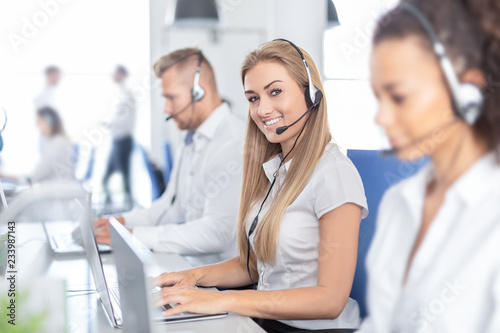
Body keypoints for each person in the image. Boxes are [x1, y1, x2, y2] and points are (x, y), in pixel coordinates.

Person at [154, 40, 368, 332]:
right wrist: (193, 276)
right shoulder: (277, 169)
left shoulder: (334, 174)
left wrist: (224, 301)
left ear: (312, 94)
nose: (262, 109)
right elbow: (257, 266)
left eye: (275, 92)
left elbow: (330, 300)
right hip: (266, 321)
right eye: (253, 98)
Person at [358, 0, 500, 332]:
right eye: (378, 97)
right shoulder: (399, 201)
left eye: (399, 97)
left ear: (469, 92)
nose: (381, 117)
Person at [94, 49, 245, 265]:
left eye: (171, 98)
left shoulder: (233, 143)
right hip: (190, 267)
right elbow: (170, 207)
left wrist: (133, 235)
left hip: (226, 286)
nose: (167, 109)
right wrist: (121, 222)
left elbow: (217, 233)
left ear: (198, 92)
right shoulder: (190, 138)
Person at [0, 107, 75, 183]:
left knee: (19, 194)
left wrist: (5, 176)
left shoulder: (57, 143)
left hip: (57, 187)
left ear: (50, 122)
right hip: (59, 185)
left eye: (40, 122)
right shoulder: (60, 141)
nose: (38, 126)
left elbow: (34, 177)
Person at [102, 65, 136, 208]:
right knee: (106, 180)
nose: (113, 75)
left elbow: (126, 120)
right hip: (117, 142)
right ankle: (110, 210)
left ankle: (128, 212)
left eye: (115, 72)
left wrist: (111, 123)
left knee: (125, 180)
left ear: (122, 74)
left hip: (123, 142)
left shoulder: (127, 95)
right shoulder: (121, 94)